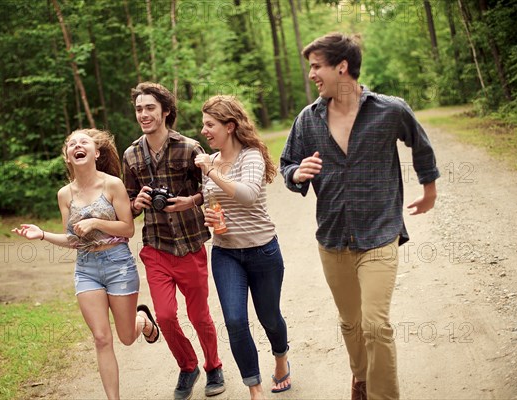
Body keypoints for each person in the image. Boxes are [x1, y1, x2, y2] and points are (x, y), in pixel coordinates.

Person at [280, 32, 440, 400]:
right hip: (333, 238)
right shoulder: (308, 119)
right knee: (351, 323)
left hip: (380, 233)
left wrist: (429, 190)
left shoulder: (389, 110)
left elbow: (421, 143)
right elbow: (287, 164)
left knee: (375, 325)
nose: (311, 75)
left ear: (342, 66)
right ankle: (361, 377)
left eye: (317, 67)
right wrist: (295, 173)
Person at [12, 128, 160, 400]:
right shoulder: (64, 194)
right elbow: (74, 239)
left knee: (126, 337)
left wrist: (96, 222)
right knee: (102, 339)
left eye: (83, 142)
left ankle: (143, 320)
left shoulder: (112, 184)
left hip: (118, 264)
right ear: (68, 157)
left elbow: (128, 229)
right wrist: (42, 234)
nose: (76, 146)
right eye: (71, 144)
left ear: (96, 153)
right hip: (86, 269)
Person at [122, 82, 225, 400]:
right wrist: (135, 203)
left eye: (150, 107)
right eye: (139, 108)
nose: (143, 114)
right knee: (165, 315)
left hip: (190, 244)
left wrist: (188, 201)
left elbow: (211, 193)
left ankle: (213, 366)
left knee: (199, 316)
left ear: (165, 111)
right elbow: (125, 206)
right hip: (156, 247)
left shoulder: (191, 148)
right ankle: (188, 366)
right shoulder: (131, 154)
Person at [194, 95, 291, 399]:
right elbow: (214, 203)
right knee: (235, 321)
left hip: (262, 250)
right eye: (203, 125)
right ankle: (255, 389)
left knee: (270, 318)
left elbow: (248, 195)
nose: (204, 131)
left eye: (210, 124)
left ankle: (281, 358)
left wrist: (211, 171)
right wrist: (207, 215)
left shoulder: (251, 157)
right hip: (225, 253)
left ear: (230, 126)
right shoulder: (208, 162)